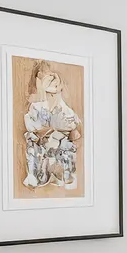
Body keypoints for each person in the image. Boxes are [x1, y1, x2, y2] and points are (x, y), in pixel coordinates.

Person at [22, 60, 82, 190]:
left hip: (58, 146)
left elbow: (75, 133)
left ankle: (64, 176)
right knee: (32, 142)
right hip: (42, 145)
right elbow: (32, 128)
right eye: (49, 92)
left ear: (59, 90)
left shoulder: (67, 111)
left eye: (54, 91)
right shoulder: (36, 107)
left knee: (66, 146)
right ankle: (36, 176)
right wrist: (45, 133)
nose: (52, 95)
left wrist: (63, 133)